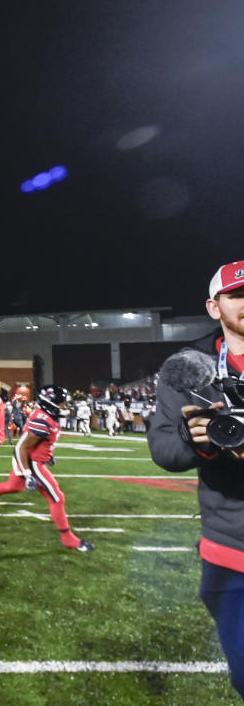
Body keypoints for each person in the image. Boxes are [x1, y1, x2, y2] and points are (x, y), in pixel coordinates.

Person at [149, 260, 244, 697]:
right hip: (231, 549)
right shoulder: (188, 368)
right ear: (213, 307)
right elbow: (164, 449)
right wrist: (197, 439)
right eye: (237, 295)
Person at [0, 385, 93, 553]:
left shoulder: (45, 415)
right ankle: (68, 538)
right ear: (50, 403)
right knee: (57, 497)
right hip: (32, 463)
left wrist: (47, 455)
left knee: (12, 486)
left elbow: (36, 444)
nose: (64, 407)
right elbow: (21, 448)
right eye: (61, 404)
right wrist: (27, 473)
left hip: (32, 459)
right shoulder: (43, 420)